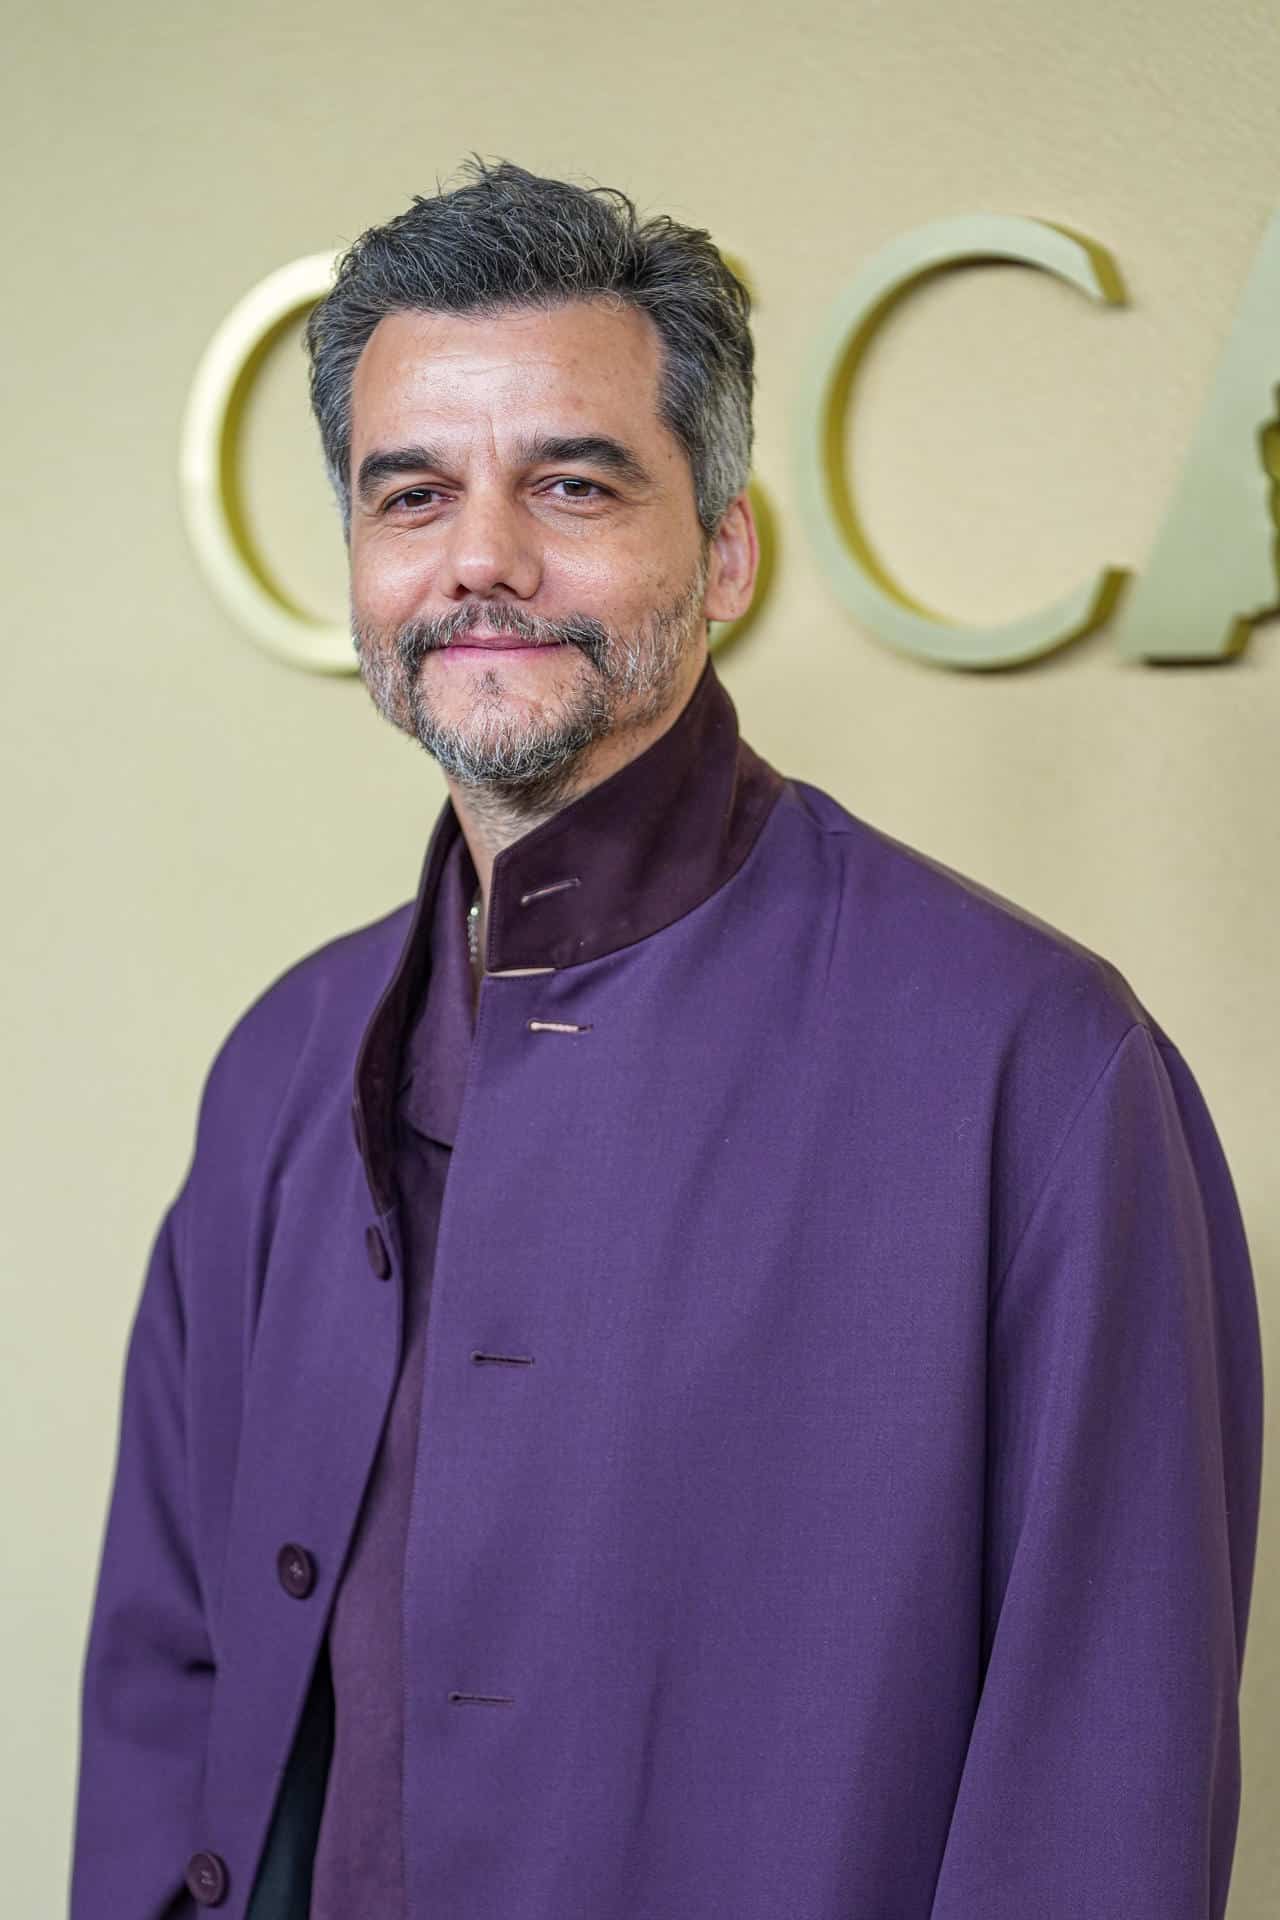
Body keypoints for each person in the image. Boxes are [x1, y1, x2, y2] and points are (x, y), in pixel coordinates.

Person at [71, 158, 1264, 1920]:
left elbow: (1103, 1778)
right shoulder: (282, 1059)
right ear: (356, 563)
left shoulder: (1036, 1065)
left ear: (721, 548)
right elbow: (172, 1685)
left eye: (570, 480)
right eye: (411, 495)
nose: (480, 556)